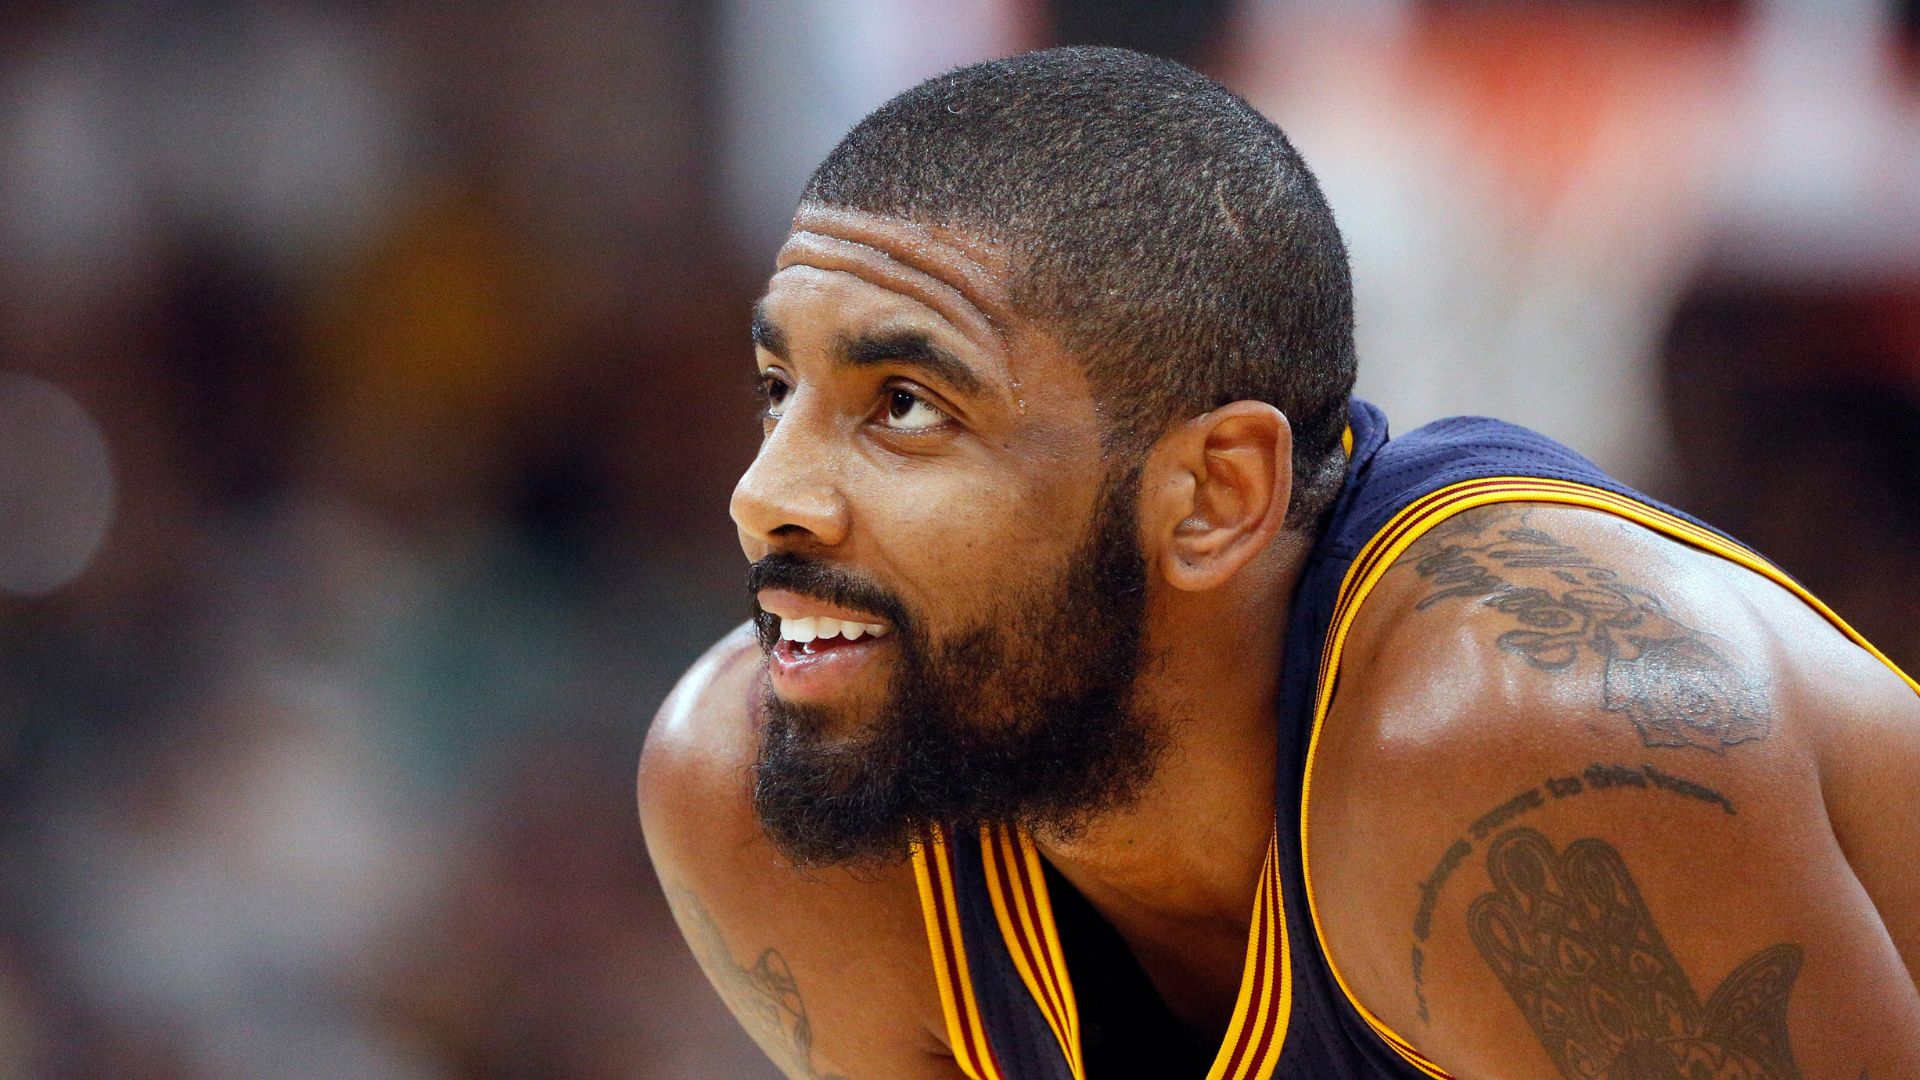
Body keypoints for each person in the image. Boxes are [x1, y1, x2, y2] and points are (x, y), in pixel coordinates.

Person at [637, 47, 1920, 1080]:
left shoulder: (1525, 740)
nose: (765, 497)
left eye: (906, 405)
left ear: (1214, 496)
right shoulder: (751, 793)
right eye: (777, 388)